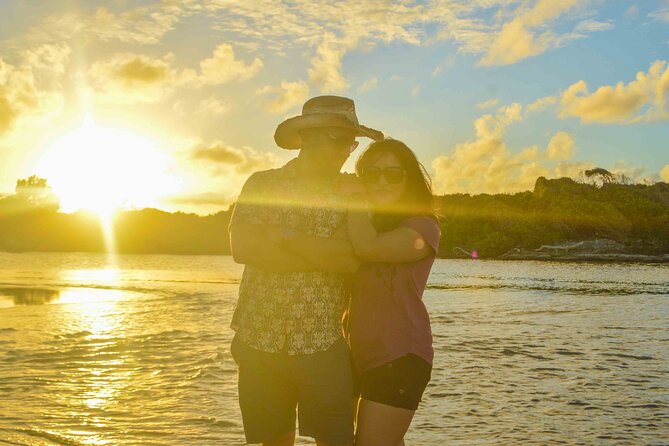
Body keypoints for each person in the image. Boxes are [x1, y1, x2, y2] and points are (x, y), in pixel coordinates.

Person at [228, 95, 383, 446]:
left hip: (323, 344)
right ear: (310, 136)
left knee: (337, 441)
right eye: (341, 140)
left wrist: (284, 237)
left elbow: (350, 261)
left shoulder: (351, 193)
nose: (348, 151)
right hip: (257, 340)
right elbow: (244, 249)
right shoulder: (262, 184)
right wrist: (322, 251)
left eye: (351, 143)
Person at [344, 138, 440, 446]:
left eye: (393, 173)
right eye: (372, 173)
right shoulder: (364, 224)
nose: (382, 181)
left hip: (401, 356)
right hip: (357, 357)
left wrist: (355, 198)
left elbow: (368, 248)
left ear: (408, 179)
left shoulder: (422, 228)